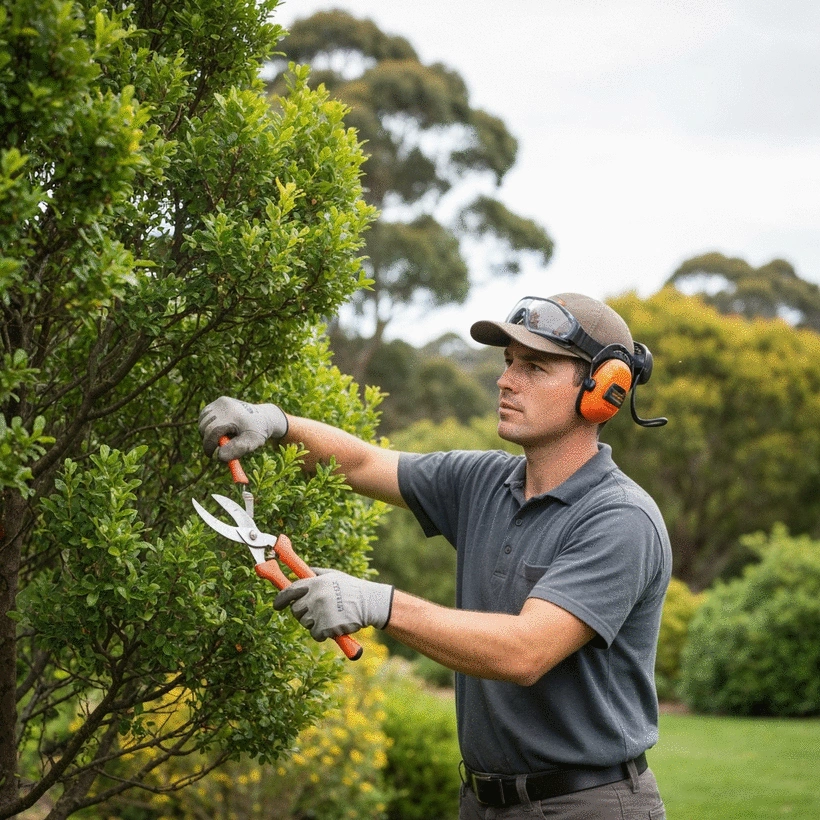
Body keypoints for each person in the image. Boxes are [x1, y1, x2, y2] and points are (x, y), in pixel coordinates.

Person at [199, 293, 671, 819]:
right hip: (481, 802)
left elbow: (524, 652)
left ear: (604, 390)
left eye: (534, 367)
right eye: (508, 363)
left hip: (586, 806)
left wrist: (380, 604)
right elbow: (361, 463)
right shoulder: (483, 482)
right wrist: (276, 422)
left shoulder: (620, 518)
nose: (506, 380)